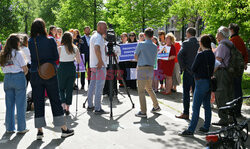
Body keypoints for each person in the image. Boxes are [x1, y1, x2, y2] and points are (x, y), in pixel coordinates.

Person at [28, 18, 74, 140]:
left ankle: (39, 132)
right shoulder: (50, 40)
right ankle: (64, 129)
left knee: (38, 101)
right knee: (55, 100)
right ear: (43, 27)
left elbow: (30, 58)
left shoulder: (30, 41)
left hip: (35, 73)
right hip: (49, 73)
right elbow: (55, 56)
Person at [179, 35, 215, 136]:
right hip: (208, 81)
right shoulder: (211, 54)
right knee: (207, 106)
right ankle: (206, 126)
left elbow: (193, 67)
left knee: (196, 107)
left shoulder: (200, 55)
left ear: (201, 43)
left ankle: (191, 129)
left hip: (200, 82)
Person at [0, 34, 29, 134]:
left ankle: (9, 128)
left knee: (9, 105)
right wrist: (22, 75)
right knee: (20, 105)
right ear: (16, 43)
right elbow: (25, 69)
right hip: (18, 77)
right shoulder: (18, 53)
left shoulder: (3, 54)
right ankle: (21, 128)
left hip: (7, 78)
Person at [134, 27, 161, 118]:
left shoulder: (141, 44)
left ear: (144, 35)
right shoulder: (154, 46)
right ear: (152, 36)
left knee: (141, 90)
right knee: (149, 88)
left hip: (142, 68)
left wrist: (139, 62)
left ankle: (143, 111)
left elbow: (135, 55)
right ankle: (156, 106)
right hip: (150, 68)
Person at [212, 26, 234, 126]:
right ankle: (230, 117)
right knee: (228, 95)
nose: (216, 35)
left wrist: (212, 73)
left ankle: (223, 119)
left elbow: (218, 61)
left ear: (221, 34)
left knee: (220, 95)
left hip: (221, 72)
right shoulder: (230, 44)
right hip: (229, 72)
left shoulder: (222, 45)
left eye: (217, 33)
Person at [176, 27, 199, 120]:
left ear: (188, 34)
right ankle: (195, 112)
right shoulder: (199, 43)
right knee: (195, 92)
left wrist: (183, 67)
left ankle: (186, 113)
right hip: (197, 72)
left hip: (188, 71)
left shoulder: (186, 43)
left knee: (186, 92)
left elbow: (179, 55)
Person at [87, 21, 108, 114]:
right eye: (105, 27)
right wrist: (100, 61)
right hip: (99, 66)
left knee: (92, 85)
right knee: (99, 86)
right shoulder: (98, 37)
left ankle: (90, 105)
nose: (106, 29)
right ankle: (98, 108)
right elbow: (96, 48)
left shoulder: (94, 36)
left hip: (93, 65)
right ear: (99, 27)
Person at [58, 32, 81, 116]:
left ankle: (63, 105)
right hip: (71, 68)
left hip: (62, 68)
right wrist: (73, 58)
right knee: (69, 89)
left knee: (61, 88)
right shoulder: (75, 48)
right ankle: (68, 107)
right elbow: (79, 61)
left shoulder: (60, 48)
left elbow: (57, 59)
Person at [229, 23, 248, 118]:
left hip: (233, 69)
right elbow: (245, 53)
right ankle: (238, 110)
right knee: (238, 88)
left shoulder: (232, 40)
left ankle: (235, 110)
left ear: (231, 30)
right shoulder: (240, 40)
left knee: (234, 90)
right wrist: (244, 63)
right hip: (240, 68)